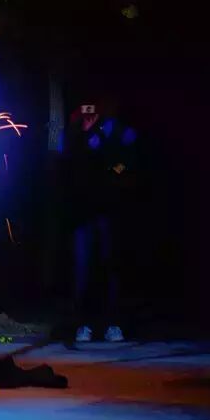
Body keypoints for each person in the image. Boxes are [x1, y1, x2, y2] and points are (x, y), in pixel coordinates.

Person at [64, 102, 139, 343]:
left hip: (108, 211)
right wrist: (84, 135)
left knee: (110, 267)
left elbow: (129, 156)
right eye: (85, 111)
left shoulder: (114, 130)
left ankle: (112, 323)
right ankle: (83, 324)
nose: (89, 116)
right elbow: (69, 163)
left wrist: (114, 172)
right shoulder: (75, 133)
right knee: (82, 270)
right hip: (82, 214)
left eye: (93, 112)